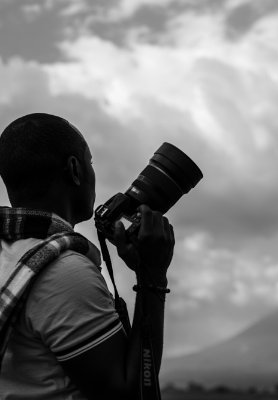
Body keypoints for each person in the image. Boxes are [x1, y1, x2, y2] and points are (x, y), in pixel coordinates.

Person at [0, 113, 175, 399]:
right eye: (89, 162)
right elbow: (129, 394)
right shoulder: (63, 272)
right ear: (74, 169)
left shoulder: (10, 255)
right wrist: (152, 276)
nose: (93, 172)